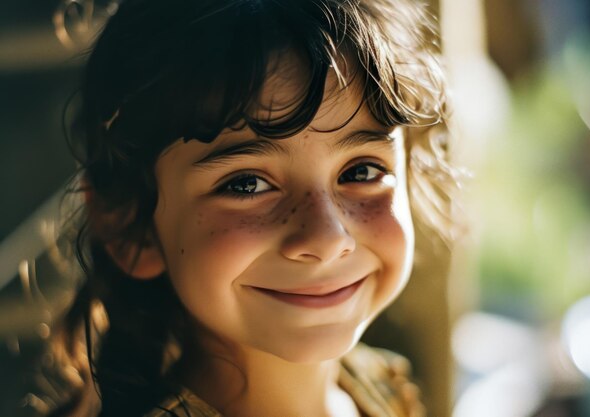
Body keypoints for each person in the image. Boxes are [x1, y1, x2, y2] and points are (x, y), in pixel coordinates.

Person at [51, 0, 453, 416]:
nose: (327, 238)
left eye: (361, 172)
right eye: (247, 184)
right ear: (129, 225)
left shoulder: (385, 388)